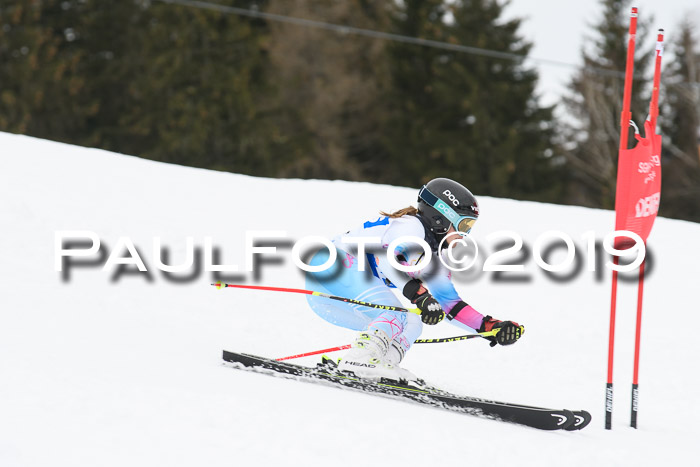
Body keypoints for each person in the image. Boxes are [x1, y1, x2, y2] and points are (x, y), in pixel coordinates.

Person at [305, 178, 523, 381]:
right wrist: (420, 296)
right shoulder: (411, 227)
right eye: (463, 225)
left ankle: (381, 363)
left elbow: (449, 304)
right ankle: (359, 361)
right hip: (331, 267)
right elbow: (388, 262)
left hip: (333, 297)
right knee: (395, 314)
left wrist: (489, 327)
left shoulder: (437, 257)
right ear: (441, 217)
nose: (464, 235)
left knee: (412, 321)